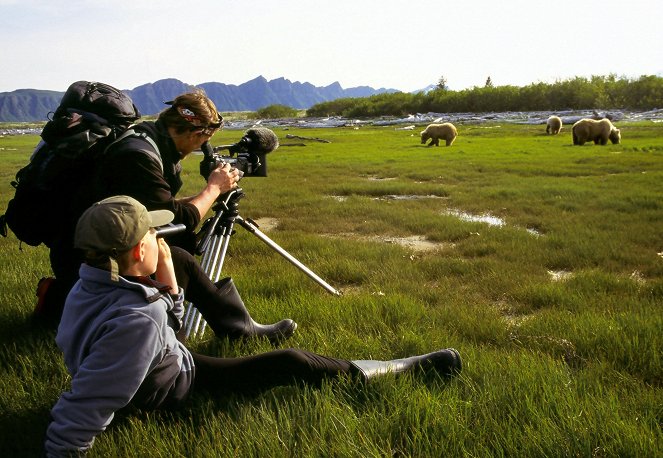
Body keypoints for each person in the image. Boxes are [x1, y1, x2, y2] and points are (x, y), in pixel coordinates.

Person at [44, 196, 462, 457]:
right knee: (292, 362)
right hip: (171, 384)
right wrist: (64, 447)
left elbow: (141, 338)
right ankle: (395, 368)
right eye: (155, 235)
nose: (162, 241)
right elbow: (87, 402)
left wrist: (170, 282)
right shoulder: (141, 319)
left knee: (183, 269)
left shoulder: (89, 283)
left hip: (150, 361)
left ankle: (238, 326)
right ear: (139, 249)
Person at [37, 90, 296, 342]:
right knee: (177, 256)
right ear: (197, 132)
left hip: (89, 250)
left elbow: (154, 208)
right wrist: (214, 188)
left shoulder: (148, 139)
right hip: (89, 261)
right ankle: (173, 339)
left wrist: (203, 194)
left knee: (176, 253)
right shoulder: (138, 156)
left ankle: (58, 299)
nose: (203, 147)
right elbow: (180, 219)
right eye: (203, 141)